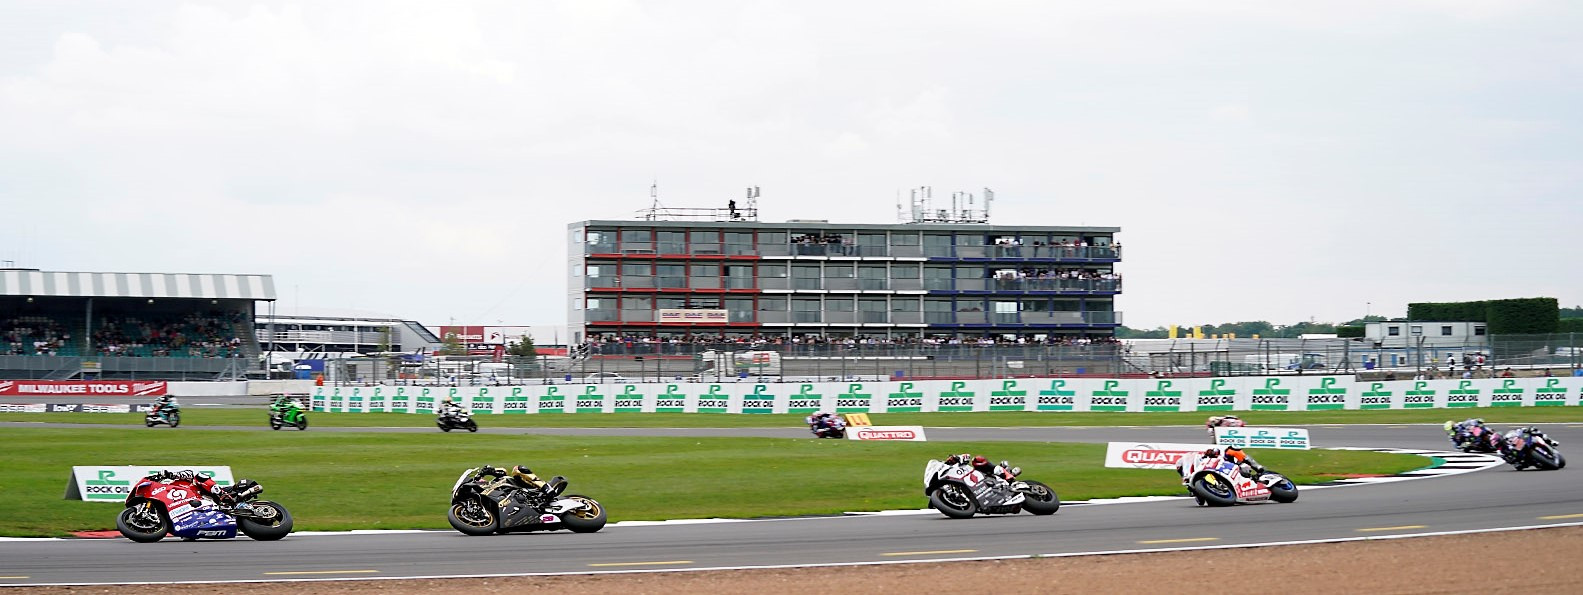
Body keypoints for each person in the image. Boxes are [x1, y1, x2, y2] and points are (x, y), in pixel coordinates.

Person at [152, 469, 237, 504]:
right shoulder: (168, 497)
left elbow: (190, 473)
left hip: (209, 495)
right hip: (199, 506)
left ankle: (222, 495)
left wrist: (171, 475)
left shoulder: (177, 482)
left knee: (199, 476)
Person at [945, 453, 1021, 483]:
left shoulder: (961, 462)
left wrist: (957, 457)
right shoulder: (949, 471)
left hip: (980, 474)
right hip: (972, 484)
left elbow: (967, 456)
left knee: (978, 459)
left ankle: (1008, 474)